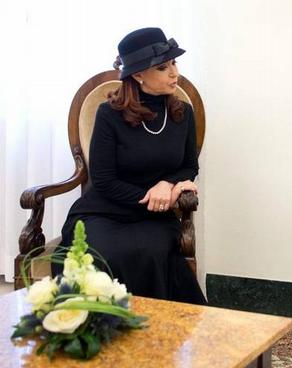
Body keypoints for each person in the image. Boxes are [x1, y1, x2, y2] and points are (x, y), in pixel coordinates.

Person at [52, 27, 206, 304]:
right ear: (137, 75)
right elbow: (103, 180)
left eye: (174, 63)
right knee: (101, 255)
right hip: (103, 212)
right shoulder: (109, 114)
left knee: (150, 253)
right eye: (162, 67)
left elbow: (188, 166)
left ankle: (150, 334)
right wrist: (156, 199)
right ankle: (99, 332)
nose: (174, 73)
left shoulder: (183, 113)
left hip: (153, 219)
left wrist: (167, 184)